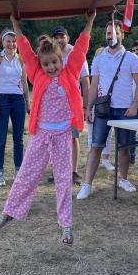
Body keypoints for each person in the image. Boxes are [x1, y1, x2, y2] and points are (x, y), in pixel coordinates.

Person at [0, 11, 95, 245]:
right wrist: (16, 27)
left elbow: (80, 48)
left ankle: (66, 225)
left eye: (54, 62)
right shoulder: (36, 74)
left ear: (61, 61)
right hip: (41, 136)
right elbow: (26, 51)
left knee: (63, 180)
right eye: (46, 64)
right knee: (26, 176)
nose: (50, 67)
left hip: (62, 136)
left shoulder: (70, 73)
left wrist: (89, 22)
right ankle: (9, 211)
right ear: (40, 65)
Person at [77, 19, 138, 199]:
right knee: (96, 146)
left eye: (114, 33)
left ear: (122, 34)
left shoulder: (132, 58)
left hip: (125, 110)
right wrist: (88, 108)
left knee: (124, 148)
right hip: (103, 109)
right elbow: (93, 86)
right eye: (108, 33)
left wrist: (134, 105)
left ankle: (123, 179)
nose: (111, 36)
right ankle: (86, 184)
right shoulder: (98, 59)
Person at [0, 28, 30, 187]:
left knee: (18, 138)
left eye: (14, 42)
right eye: (8, 41)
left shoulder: (21, 60)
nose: (11, 44)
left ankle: (18, 171)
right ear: (2, 42)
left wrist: (27, 103)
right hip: (2, 99)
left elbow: (25, 83)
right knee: (1, 139)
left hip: (18, 99)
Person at [51, 25, 90, 184]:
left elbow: (85, 82)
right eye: (56, 37)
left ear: (68, 38)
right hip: (55, 104)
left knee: (73, 138)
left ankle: (73, 172)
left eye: (62, 37)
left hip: (73, 103)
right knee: (55, 139)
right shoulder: (51, 54)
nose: (59, 40)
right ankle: (58, 171)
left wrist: (85, 106)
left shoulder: (77, 54)